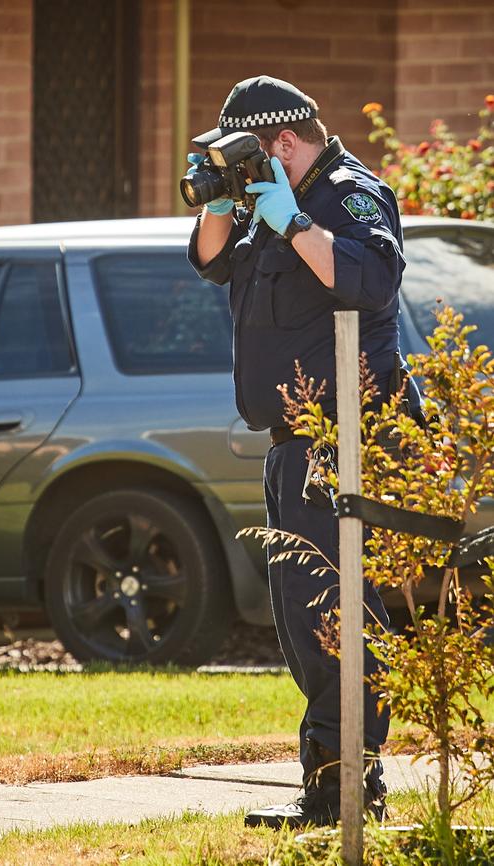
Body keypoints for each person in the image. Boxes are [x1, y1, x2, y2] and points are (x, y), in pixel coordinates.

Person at [186, 75, 407, 829]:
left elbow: (370, 281)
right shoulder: (261, 204)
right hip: (290, 443)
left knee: (332, 605)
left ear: (283, 142)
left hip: (345, 433)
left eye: (246, 155)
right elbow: (213, 262)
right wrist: (221, 197)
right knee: (297, 610)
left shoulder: (348, 193)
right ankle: (329, 781)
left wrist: (293, 221)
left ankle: (351, 784)